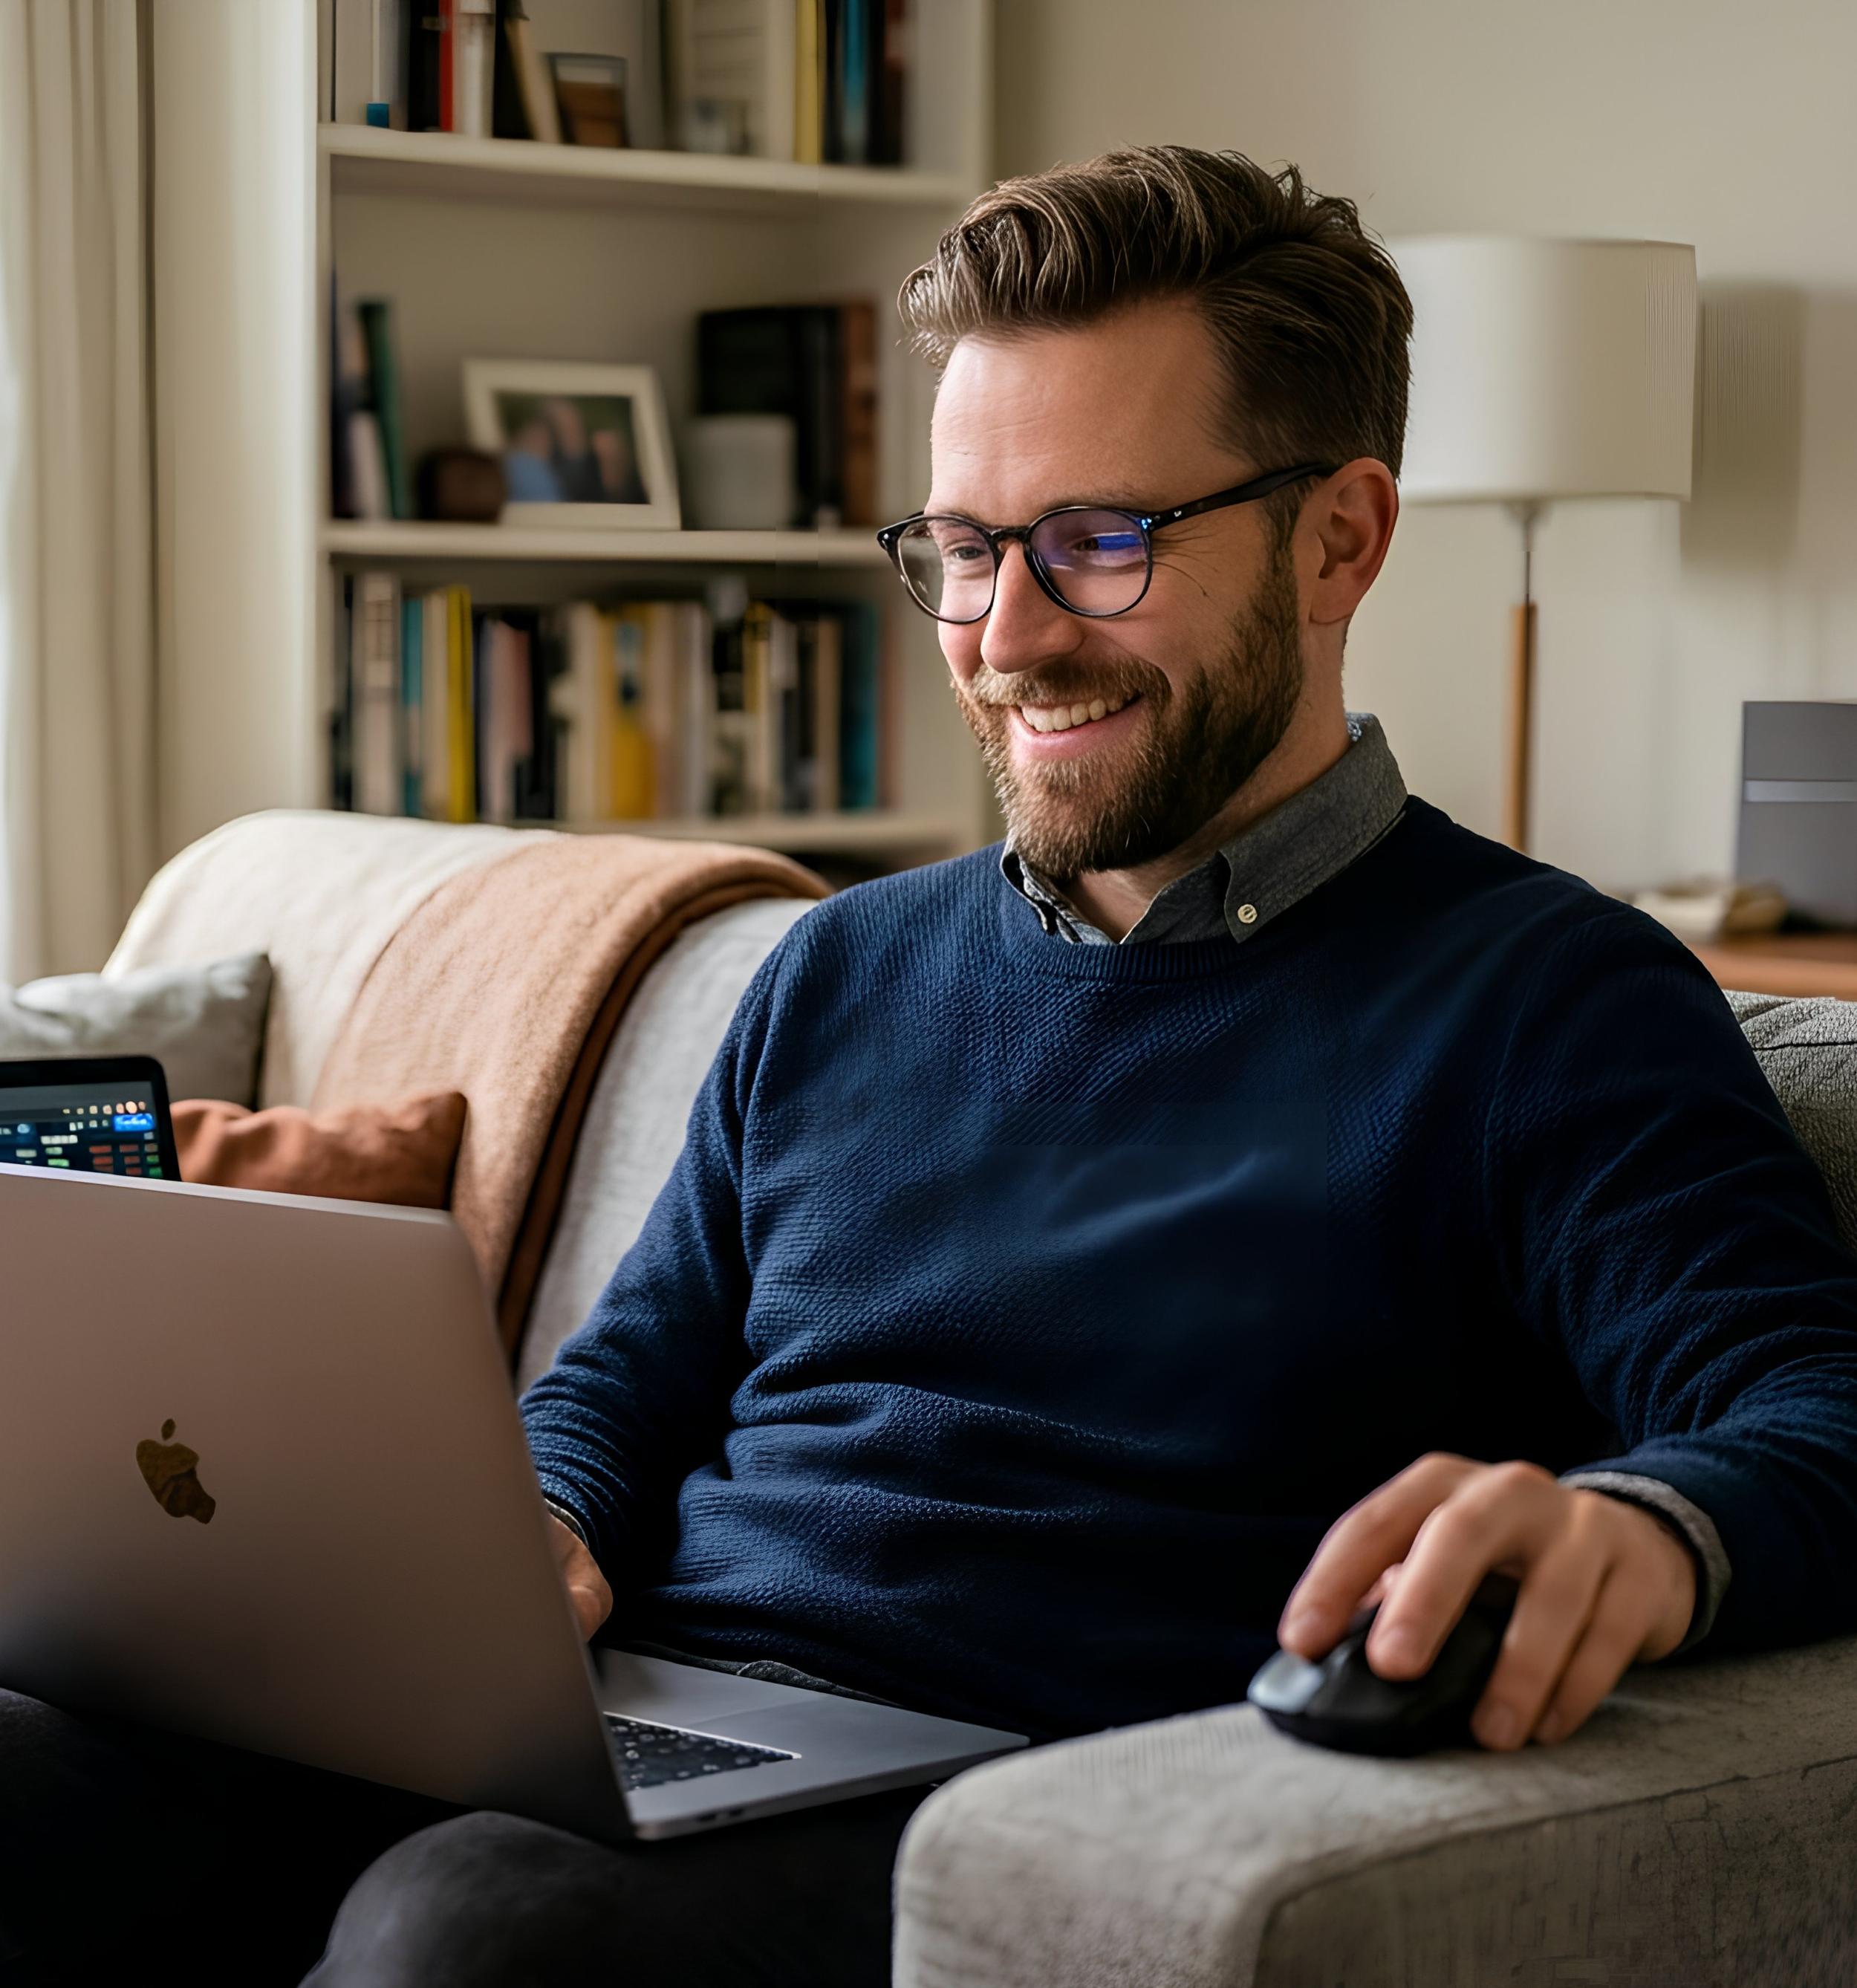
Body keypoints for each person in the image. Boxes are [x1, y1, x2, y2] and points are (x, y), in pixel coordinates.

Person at [4, 145, 1856, 1987]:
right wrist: (541, 1532)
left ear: (1340, 537)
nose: (1003, 636)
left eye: (1097, 542)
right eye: (962, 551)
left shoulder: (1550, 999)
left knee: (470, 1933)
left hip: (1000, 1790)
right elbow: (627, 1387)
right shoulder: (840, 964)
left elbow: (1810, 1411)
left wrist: (1640, 1525)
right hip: (646, 1716)